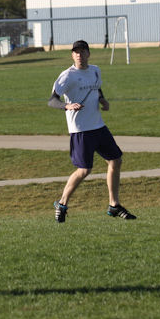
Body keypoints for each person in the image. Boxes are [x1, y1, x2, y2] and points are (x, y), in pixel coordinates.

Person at [48, 40, 136, 223]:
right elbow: (52, 100)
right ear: (72, 55)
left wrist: (102, 100)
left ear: (88, 54)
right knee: (84, 170)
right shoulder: (67, 76)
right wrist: (67, 106)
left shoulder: (95, 70)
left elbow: (96, 87)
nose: (79, 55)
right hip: (80, 130)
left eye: (82, 51)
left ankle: (114, 205)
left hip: (98, 126)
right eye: (76, 52)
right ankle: (62, 204)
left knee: (116, 160)